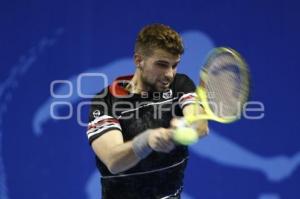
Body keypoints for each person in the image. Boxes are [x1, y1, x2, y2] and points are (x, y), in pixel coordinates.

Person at [86, 24, 209, 199]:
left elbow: (200, 125)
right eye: (161, 64)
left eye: (174, 65)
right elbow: (113, 160)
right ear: (138, 60)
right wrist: (146, 141)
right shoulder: (106, 101)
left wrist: (184, 129)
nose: (169, 74)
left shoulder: (180, 85)